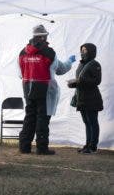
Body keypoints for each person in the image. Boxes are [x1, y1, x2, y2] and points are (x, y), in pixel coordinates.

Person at [18, 24, 76, 155]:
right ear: (44, 37)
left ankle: (24, 146)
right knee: (42, 118)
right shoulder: (49, 53)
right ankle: (42, 148)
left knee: (29, 117)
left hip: (27, 88)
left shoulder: (23, 52)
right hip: (44, 89)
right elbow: (60, 69)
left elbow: (20, 73)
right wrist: (69, 62)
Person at [68, 43, 103, 154]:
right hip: (81, 98)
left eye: (85, 50)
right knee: (86, 122)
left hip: (92, 98)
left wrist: (80, 81)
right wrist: (73, 84)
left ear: (91, 51)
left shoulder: (95, 64)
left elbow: (97, 81)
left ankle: (93, 146)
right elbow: (80, 80)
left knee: (92, 122)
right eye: (81, 50)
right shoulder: (81, 64)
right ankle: (87, 145)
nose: (82, 52)